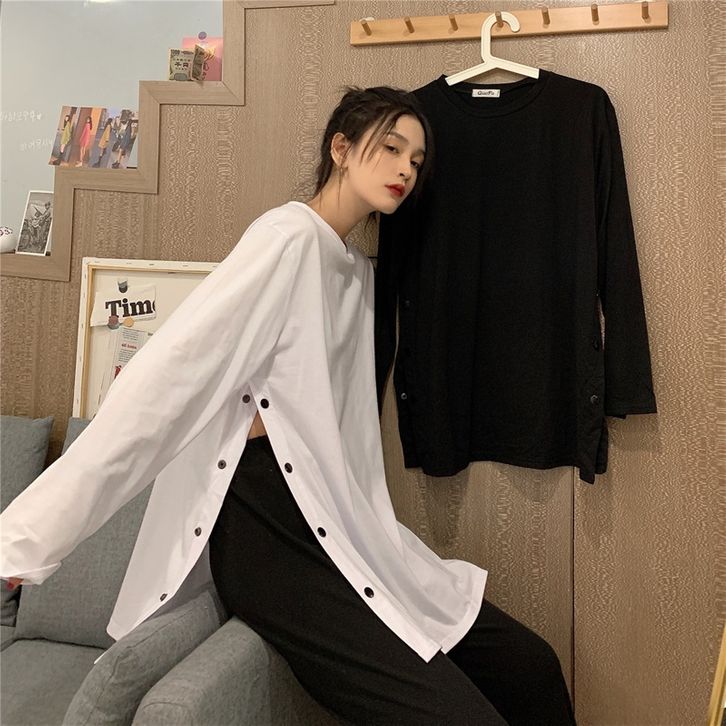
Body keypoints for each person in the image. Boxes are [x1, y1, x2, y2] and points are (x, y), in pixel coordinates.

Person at [1, 86, 575, 725]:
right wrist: (24, 540)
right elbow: (163, 383)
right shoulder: (286, 239)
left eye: (416, 160)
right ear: (341, 148)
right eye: (391, 148)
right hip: (267, 530)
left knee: (532, 667)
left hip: (334, 515)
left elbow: (340, 429)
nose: (406, 170)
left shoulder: (356, 270)